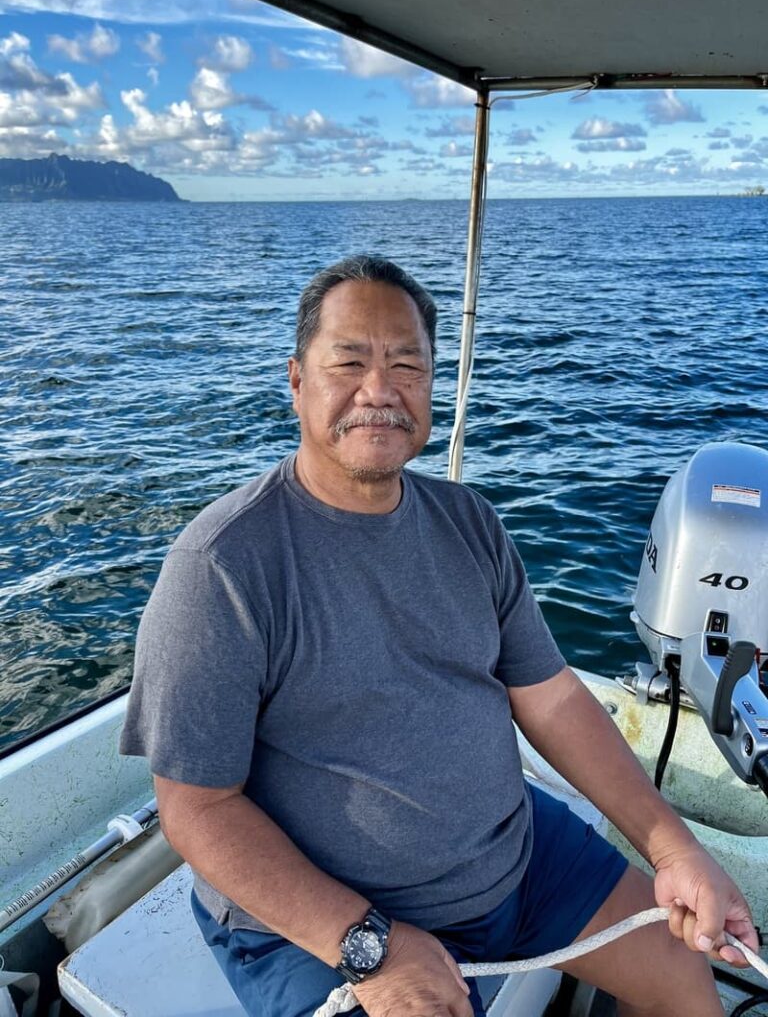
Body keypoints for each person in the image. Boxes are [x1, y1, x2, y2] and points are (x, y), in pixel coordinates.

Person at [121, 255, 757, 1017]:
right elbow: (197, 808)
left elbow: (553, 700)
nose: (380, 391)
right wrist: (368, 942)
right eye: (349, 362)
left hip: (517, 855)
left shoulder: (470, 523)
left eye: (407, 366)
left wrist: (673, 847)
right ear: (296, 381)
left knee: (687, 984)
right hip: (321, 922)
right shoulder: (221, 566)